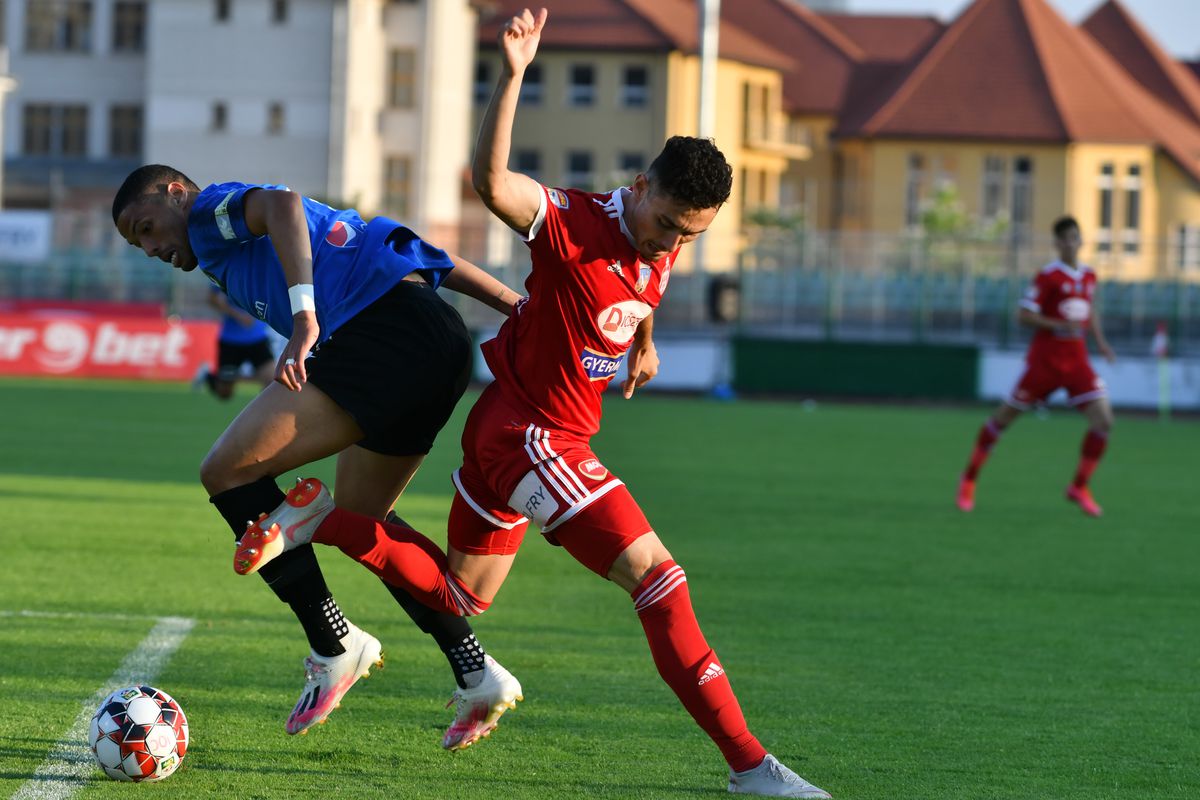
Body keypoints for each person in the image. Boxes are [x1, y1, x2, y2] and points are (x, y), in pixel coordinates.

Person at [233, 9, 832, 797]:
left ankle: (323, 521)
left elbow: (643, 280)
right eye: (665, 226)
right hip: (537, 438)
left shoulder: (660, 239)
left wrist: (643, 339)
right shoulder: (572, 222)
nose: (669, 246)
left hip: (506, 436)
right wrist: (513, 75)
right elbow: (489, 183)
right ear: (638, 186)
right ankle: (751, 766)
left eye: (688, 236)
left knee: (460, 596)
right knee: (661, 584)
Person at [111, 164, 526, 748]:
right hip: (439, 339)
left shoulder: (208, 216)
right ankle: (476, 671)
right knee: (364, 517)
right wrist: (517, 304)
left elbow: (281, 201)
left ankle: (334, 644)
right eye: (139, 243)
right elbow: (419, 250)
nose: (151, 247)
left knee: (226, 471)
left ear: (176, 194)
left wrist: (304, 317)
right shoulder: (265, 243)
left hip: (380, 337)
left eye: (147, 227)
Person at [956, 215, 1116, 516]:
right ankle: (969, 479)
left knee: (1104, 421)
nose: (1071, 243)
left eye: (1075, 237)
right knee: (1002, 420)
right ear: (1057, 243)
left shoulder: (1090, 276)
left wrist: (1102, 343)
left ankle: (1079, 486)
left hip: (1077, 361)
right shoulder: (1048, 276)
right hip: (1045, 361)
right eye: (1066, 238)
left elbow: (1089, 311)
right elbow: (1023, 315)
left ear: (1081, 240)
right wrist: (1057, 323)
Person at [193, 286, 276, 400]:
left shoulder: (268, 271)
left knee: (271, 381)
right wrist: (237, 315)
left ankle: (262, 411)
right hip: (231, 340)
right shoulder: (227, 270)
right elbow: (212, 299)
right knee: (224, 393)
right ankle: (207, 375)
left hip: (257, 338)